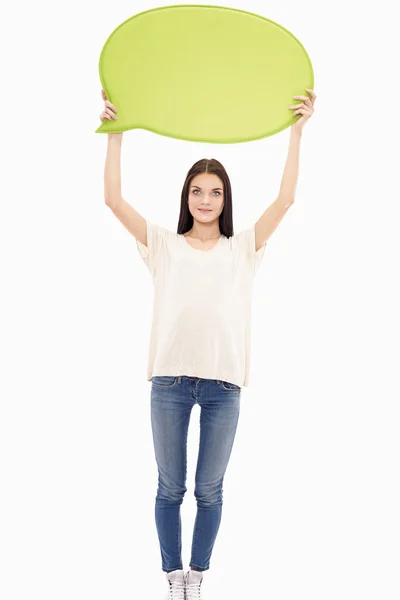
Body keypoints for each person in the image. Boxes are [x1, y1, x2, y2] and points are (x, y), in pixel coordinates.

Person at [99, 87, 316, 599]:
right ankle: (172, 578)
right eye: (197, 190)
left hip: (223, 386)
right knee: (169, 489)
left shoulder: (244, 247)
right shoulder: (163, 245)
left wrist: (296, 132)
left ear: (225, 199)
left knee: (210, 491)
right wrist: (116, 134)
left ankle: (198, 576)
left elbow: (286, 200)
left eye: (214, 191)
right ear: (186, 198)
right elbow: (112, 200)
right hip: (170, 383)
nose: (204, 199)